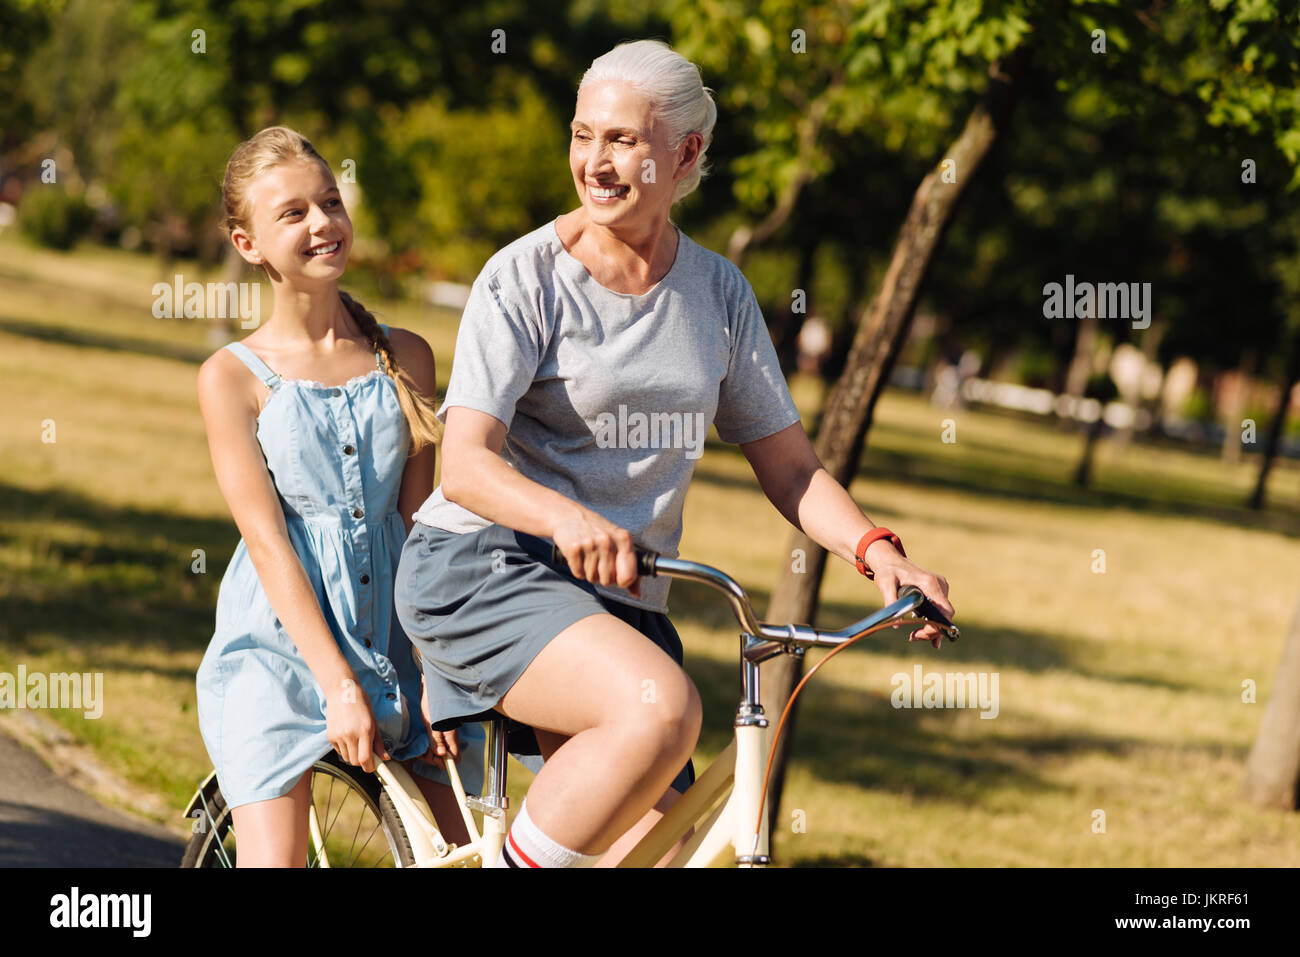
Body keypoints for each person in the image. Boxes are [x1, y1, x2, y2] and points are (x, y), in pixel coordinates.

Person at [394, 39, 954, 869]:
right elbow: (466, 466)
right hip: (487, 568)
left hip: (622, 599)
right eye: (584, 135)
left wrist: (879, 555)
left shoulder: (718, 292)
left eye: (621, 140)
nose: (595, 161)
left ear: (685, 153)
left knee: (662, 851)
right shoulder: (524, 279)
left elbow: (792, 468)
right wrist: (566, 516)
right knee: (662, 706)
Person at [194, 126, 480, 866]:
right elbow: (266, 540)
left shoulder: (406, 355)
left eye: (329, 202)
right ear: (247, 242)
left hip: (396, 641)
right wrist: (337, 685)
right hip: (282, 656)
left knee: (467, 850)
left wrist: (438, 670)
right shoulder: (231, 377)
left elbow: (422, 528)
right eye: (292, 213)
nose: (322, 222)